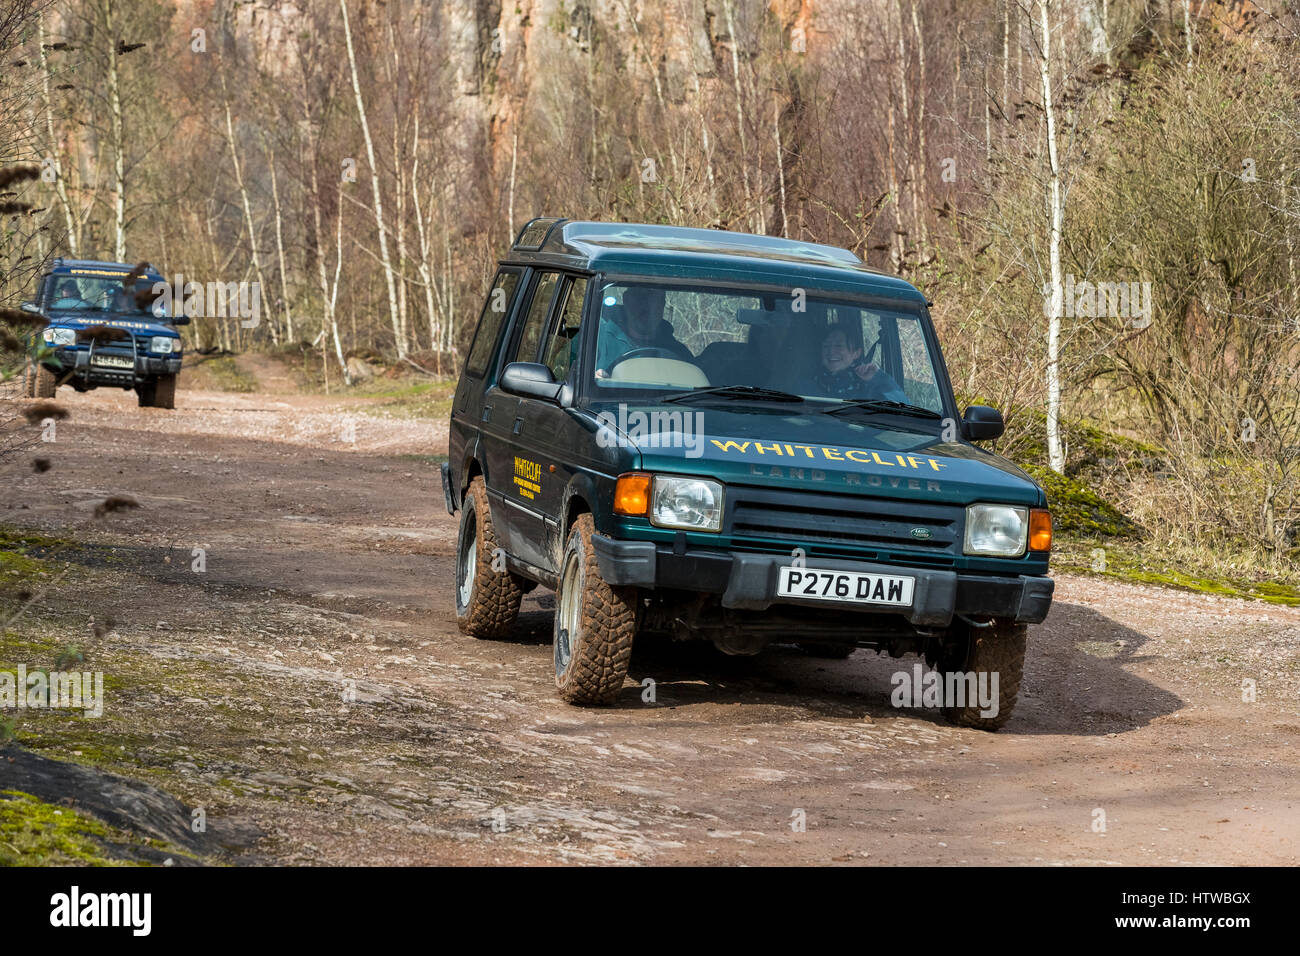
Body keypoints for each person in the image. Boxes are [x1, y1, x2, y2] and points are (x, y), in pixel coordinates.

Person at [593, 286, 692, 378]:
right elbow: (578, 375)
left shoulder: (679, 354)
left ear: (662, 304)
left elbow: (699, 390)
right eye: (639, 296)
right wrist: (593, 381)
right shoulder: (594, 338)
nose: (646, 305)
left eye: (652, 297)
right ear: (626, 300)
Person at [807, 324, 909, 402]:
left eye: (839, 346)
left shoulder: (869, 385)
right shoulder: (809, 381)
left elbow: (904, 410)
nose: (831, 351)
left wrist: (879, 378)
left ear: (856, 353)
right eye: (826, 346)